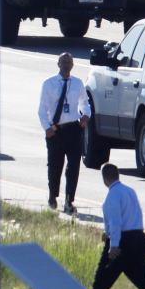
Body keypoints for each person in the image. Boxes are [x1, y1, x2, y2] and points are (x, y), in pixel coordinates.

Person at [86, 163, 145, 289]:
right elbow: (131, 215)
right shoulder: (129, 191)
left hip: (121, 242)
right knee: (142, 277)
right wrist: (107, 232)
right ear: (117, 175)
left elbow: (116, 222)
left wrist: (113, 245)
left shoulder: (112, 196)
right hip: (138, 238)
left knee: (101, 280)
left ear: (104, 178)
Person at [37, 52, 91, 215]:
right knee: (55, 166)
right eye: (63, 62)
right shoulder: (49, 84)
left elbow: (85, 103)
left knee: (73, 166)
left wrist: (86, 116)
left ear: (73, 65)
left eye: (69, 62)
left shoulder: (77, 83)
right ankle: (52, 196)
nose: (66, 65)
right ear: (58, 64)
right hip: (56, 130)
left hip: (73, 129)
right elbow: (42, 110)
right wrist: (47, 128)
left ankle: (69, 200)